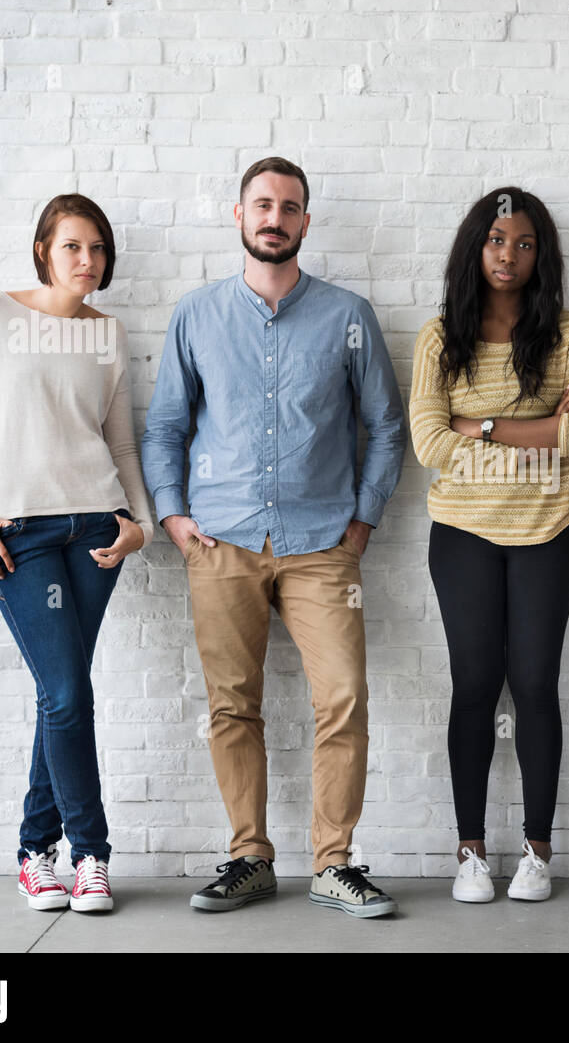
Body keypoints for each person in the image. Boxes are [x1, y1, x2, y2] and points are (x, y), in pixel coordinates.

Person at [142, 157, 406, 917]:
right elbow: (164, 426)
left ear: (305, 223)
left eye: (289, 206)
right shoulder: (196, 315)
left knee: (344, 697)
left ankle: (334, 862)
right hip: (218, 540)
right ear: (238, 215)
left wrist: (363, 518)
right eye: (262, 204)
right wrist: (173, 514)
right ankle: (249, 855)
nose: (274, 217)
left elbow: (387, 429)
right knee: (233, 703)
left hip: (325, 543)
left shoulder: (348, 316)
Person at [0, 193, 153, 914]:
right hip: (20, 536)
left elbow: (121, 441)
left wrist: (140, 523)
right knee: (67, 693)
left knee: (59, 695)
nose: (86, 261)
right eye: (72, 247)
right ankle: (89, 852)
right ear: (43, 250)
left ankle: (36, 851)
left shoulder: (108, 334)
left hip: (96, 531)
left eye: (96, 248)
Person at [409, 187, 569, 903]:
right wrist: (536, 425)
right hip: (462, 536)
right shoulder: (440, 335)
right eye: (497, 240)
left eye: (524, 243)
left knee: (534, 686)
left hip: (548, 536)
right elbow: (430, 442)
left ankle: (536, 850)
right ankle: (469, 851)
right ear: (475, 246)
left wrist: (480, 426)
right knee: (474, 686)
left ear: (540, 254)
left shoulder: (567, 332)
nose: (509, 254)